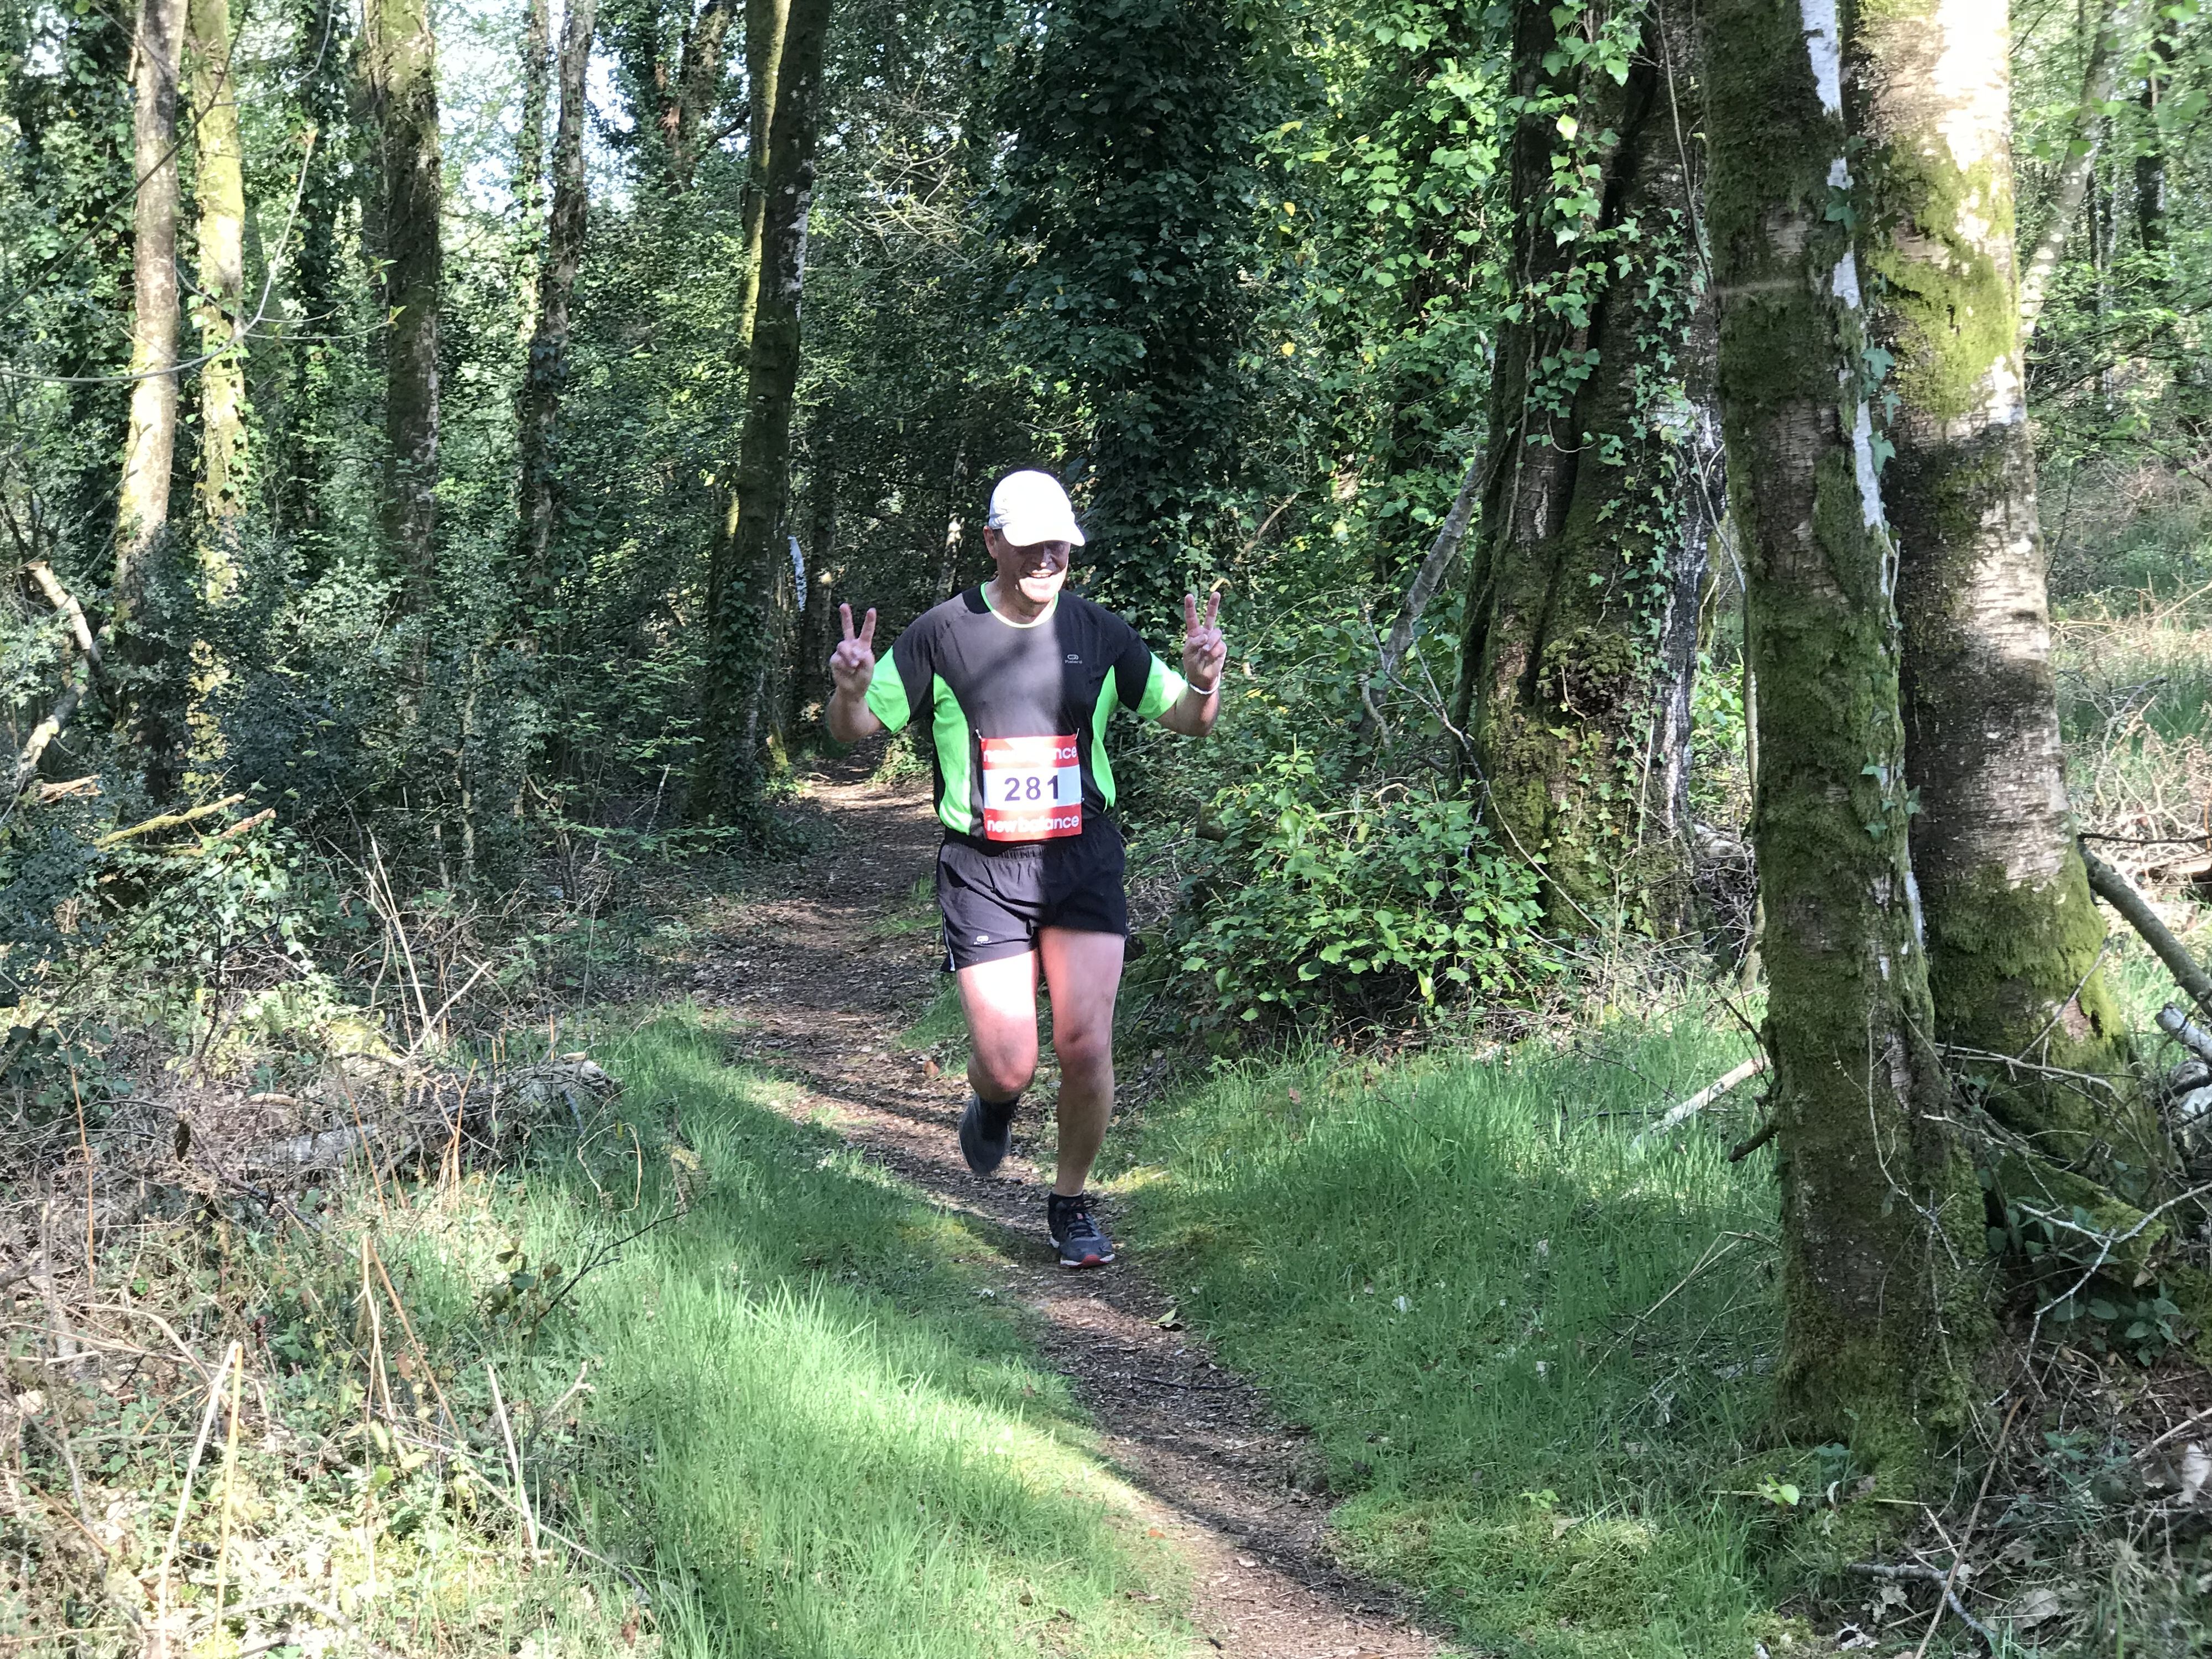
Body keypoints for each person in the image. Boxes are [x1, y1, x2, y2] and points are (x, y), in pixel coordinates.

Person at [825, 469, 1224, 1269]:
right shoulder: (943, 633)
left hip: (1082, 859)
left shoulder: (1100, 632)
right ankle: (994, 1097)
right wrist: (849, 691)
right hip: (983, 868)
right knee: (1012, 1062)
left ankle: (1070, 1203)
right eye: (1031, 544)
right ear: (993, 543)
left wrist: (1206, 683)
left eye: (1060, 545)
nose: (1047, 558)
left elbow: (1189, 720)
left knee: (1086, 1045)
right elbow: (853, 730)